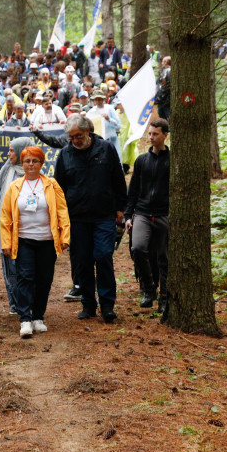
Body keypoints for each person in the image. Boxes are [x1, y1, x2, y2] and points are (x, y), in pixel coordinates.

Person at [54, 114, 127, 323]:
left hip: (104, 215)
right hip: (77, 218)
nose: (75, 140)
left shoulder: (105, 149)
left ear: (87, 131)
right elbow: (59, 188)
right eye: (71, 137)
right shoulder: (65, 155)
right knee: (82, 262)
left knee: (103, 256)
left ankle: (107, 305)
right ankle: (88, 304)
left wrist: (121, 208)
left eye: (78, 135)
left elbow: (118, 179)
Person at [0, 146, 71, 338]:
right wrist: (6, 242)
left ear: (41, 163)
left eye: (35, 161)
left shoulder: (51, 185)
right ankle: (25, 318)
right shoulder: (15, 187)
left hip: (47, 240)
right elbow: (5, 217)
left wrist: (65, 237)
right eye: (27, 161)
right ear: (21, 164)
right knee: (25, 277)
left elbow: (62, 212)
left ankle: (38, 316)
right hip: (23, 240)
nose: (31, 165)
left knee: (44, 279)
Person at [125, 119, 170, 314]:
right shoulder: (142, 160)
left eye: (155, 134)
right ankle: (148, 289)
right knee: (138, 248)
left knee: (164, 258)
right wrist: (128, 215)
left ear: (165, 135)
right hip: (142, 212)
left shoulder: (172, 160)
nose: (151, 138)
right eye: (149, 134)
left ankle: (165, 299)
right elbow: (133, 189)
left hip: (164, 214)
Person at [0, 136, 30, 316]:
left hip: (27, 227)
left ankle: (28, 300)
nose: (8, 154)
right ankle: (15, 302)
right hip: (7, 226)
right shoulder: (7, 169)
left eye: (12, 150)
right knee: (10, 266)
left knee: (26, 265)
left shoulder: (32, 170)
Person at [87, 90, 123, 164]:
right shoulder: (91, 112)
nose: (98, 101)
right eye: (96, 99)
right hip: (99, 140)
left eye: (100, 99)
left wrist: (109, 119)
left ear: (103, 99)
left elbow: (118, 125)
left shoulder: (109, 109)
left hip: (111, 139)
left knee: (115, 158)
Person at [156, 56, 172, 120]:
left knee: (167, 117)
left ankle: (170, 130)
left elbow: (166, 84)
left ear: (166, 62)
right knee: (162, 117)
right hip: (162, 99)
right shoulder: (165, 71)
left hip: (165, 100)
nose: (162, 63)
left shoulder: (168, 71)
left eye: (163, 61)